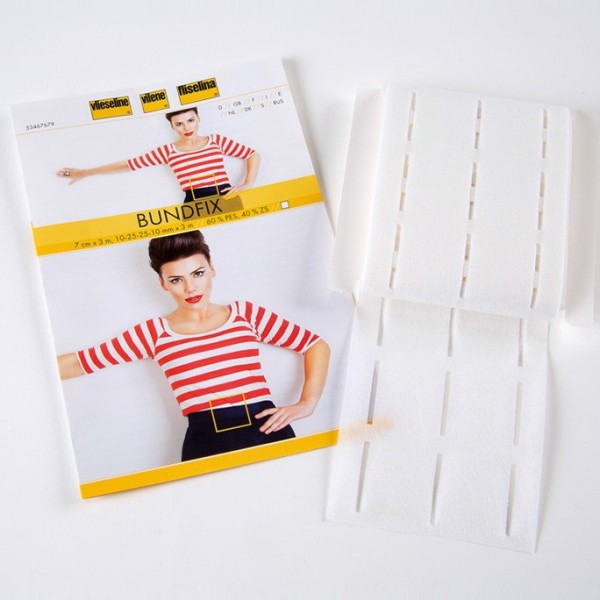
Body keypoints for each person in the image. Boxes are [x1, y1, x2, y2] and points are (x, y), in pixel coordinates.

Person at [57, 230, 330, 461]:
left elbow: (315, 344)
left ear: (212, 269)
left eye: (198, 273)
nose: (190, 288)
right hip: (206, 442)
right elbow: (79, 362)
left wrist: (307, 403)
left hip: (269, 431)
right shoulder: (153, 332)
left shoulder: (245, 314)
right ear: (163, 283)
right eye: (176, 279)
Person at [56, 107, 261, 203]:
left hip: (226, 196)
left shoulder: (216, 140)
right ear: (172, 126)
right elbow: (128, 164)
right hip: (194, 201)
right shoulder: (167, 151)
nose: (186, 127)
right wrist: (85, 172)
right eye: (179, 124)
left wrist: (247, 183)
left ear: (198, 119)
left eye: (190, 120)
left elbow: (252, 154)